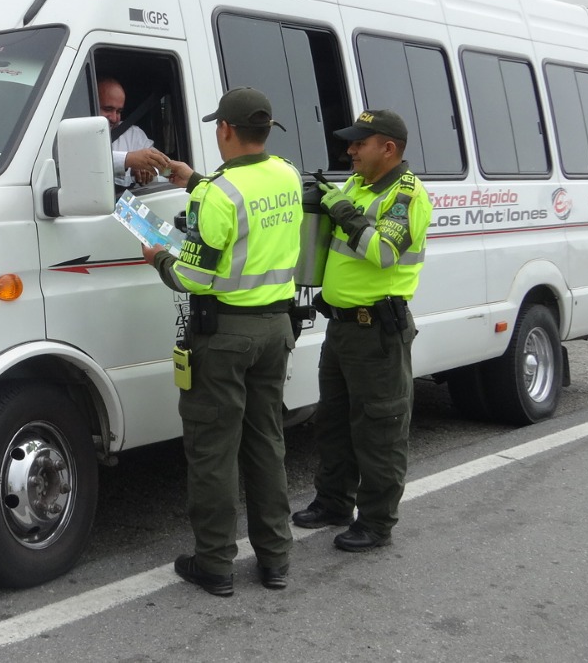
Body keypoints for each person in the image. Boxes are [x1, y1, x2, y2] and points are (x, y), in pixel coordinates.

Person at [140, 86, 300, 596]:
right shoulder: (287, 175)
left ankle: (214, 563)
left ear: (225, 130)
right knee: (266, 444)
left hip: (227, 334)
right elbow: (247, 205)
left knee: (213, 451)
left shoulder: (219, 194)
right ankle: (275, 559)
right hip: (276, 329)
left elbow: (197, 276)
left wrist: (160, 258)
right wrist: (195, 181)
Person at [291, 109, 432, 552]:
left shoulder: (407, 196)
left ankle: (376, 521)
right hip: (343, 328)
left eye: (359, 143)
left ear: (387, 148)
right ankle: (334, 502)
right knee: (332, 422)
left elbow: (384, 252)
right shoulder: (356, 185)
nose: (349, 150)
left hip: (378, 333)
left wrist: (343, 211)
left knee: (380, 429)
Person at [98, 78, 171, 188]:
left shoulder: (133, 134)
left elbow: (167, 170)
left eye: (119, 112)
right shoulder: (76, 132)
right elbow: (82, 160)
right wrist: (129, 160)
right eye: (107, 109)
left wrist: (149, 170)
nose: (114, 118)